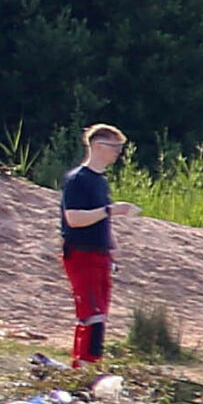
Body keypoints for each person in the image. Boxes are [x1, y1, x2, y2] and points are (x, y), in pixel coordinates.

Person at [60, 123, 138, 370]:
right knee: (90, 313)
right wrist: (110, 210)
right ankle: (83, 367)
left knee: (100, 313)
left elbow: (100, 221)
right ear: (98, 146)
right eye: (114, 147)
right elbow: (73, 218)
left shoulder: (101, 181)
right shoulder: (78, 180)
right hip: (81, 253)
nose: (118, 153)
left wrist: (111, 246)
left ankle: (91, 365)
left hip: (99, 254)